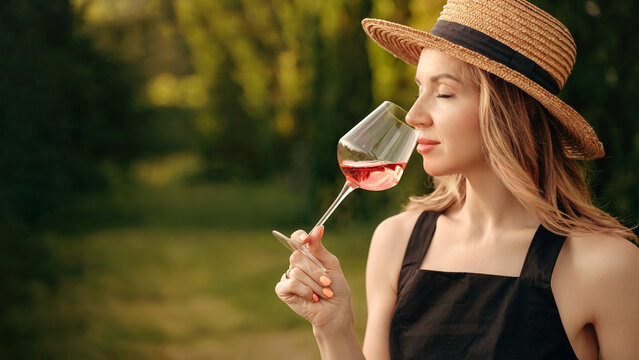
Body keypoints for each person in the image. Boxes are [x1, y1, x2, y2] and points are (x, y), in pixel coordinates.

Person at [275, 0, 639, 359]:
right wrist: (333, 327)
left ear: (510, 113)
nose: (415, 115)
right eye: (420, 89)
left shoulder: (606, 266)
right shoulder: (396, 241)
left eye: (444, 92)